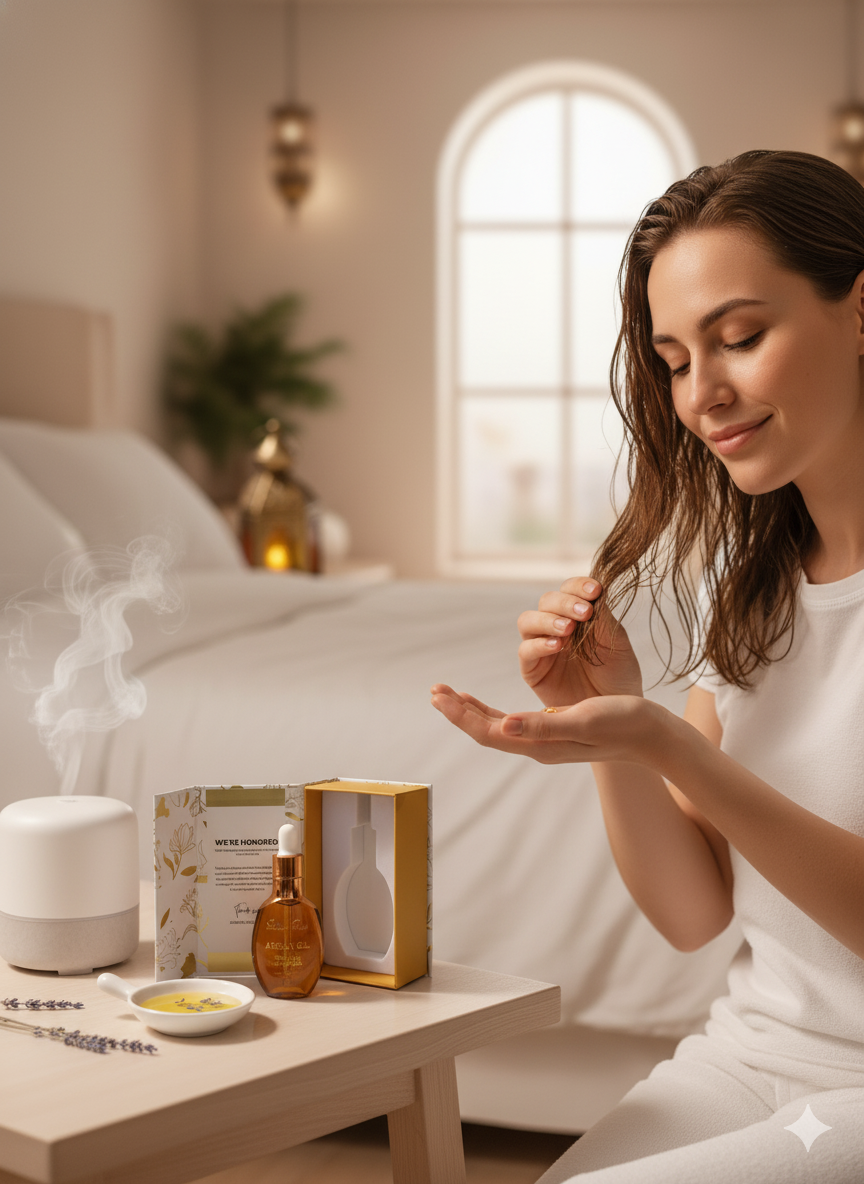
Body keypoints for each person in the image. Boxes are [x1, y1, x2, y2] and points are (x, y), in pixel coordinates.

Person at [431, 150, 864, 1183]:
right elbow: (695, 913)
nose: (702, 393)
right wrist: (612, 725)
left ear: (858, 310)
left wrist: (670, 740)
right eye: (672, 359)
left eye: (741, 337)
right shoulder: (756, 581)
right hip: (754, 1053)